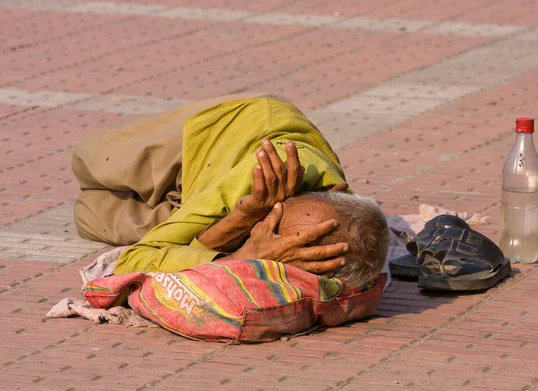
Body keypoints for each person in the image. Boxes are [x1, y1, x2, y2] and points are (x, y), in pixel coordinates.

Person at [73, 94, 389, 288]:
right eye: (275, 215)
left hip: (203, 190)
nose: (264, 228)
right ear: (333, 190)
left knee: (89, 215)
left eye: (276, 234)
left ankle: (185, 208)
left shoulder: (328, 245)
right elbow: (134, 262)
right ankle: (186, 205)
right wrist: (243, 219)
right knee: (88, 162)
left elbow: (135, 258)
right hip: (215, 131)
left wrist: (238, 257)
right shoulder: (264, 179)